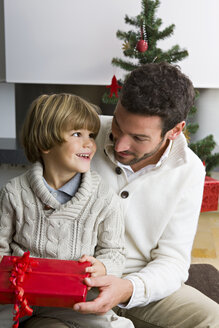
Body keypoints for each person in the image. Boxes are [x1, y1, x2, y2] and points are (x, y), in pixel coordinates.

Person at [70, 62, 219, 327]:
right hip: (76, 276)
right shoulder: (82, 135)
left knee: (211, 319)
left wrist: (128, 288)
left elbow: (172, 261)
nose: (120, 144)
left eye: (139, 138)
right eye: (117, 124)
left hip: (140, 282)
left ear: (175, 131)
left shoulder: (189, 170)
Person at [0, 93, 134, 328]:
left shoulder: (103, 197)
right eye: (76, 134)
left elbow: (114, 251)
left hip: (80, 303)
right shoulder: (13, 193)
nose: (89, 143)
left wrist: (102, 266)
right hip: (20, 302)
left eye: (91, 135)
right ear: (44, 144)